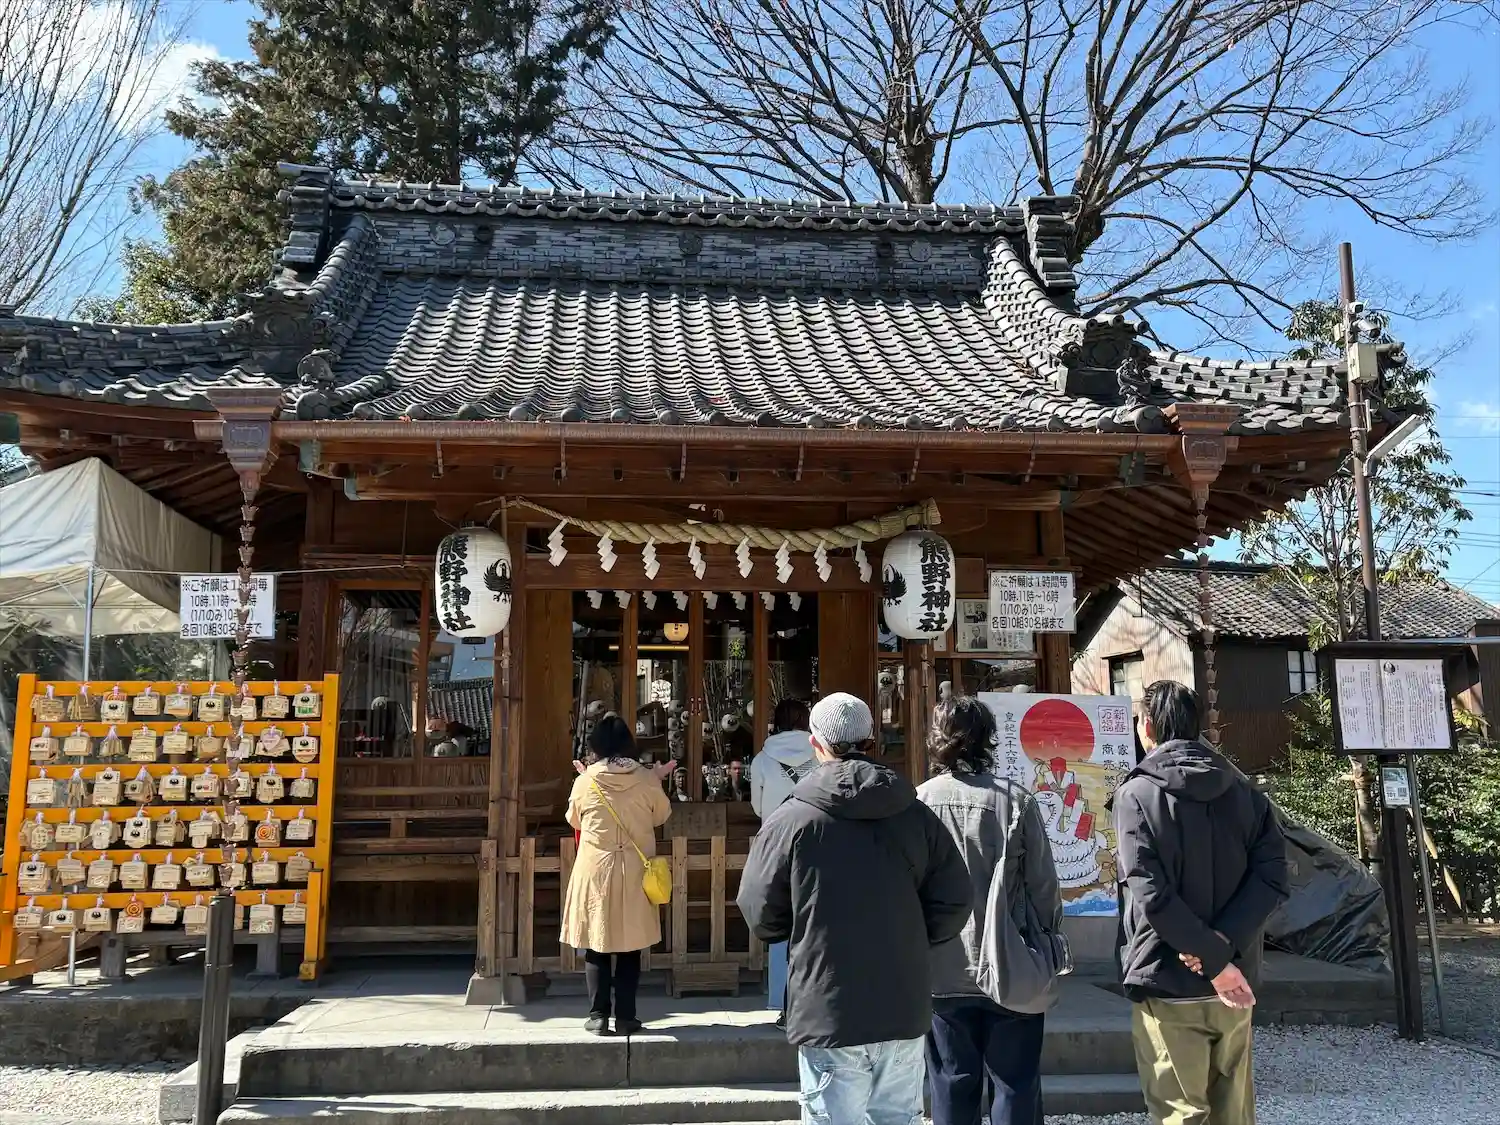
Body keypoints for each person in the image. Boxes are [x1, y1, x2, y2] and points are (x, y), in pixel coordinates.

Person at [738, 692, 973, 1125]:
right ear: (871, 740)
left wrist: (800, 931)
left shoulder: (792, 819)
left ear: (815, 743)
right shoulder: (913, 813)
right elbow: (955, 896)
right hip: (902, 996)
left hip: (828, 1001)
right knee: (898, 1118)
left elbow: (759, 909)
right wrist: (913, 936)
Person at [1112, 681, 1289, 1125]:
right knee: (1234, 1112)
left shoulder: (1137, 795)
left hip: (1168, 974)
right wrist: (1223, 951)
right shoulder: (1245, 793)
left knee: (1180, 1113)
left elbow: (1150, 892)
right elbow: (1272, 878)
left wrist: (1208, 955)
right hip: (1235, 978)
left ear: (1147, 726)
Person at [918, 695, 1062, 1125]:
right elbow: (1043, 886)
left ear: (937, 740)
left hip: (941, 965)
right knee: (1014, 1084)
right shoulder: (1017, 800)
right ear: (987, 739)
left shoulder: (919, 801)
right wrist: (1050, 943)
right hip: (1011, 960)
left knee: (950, 1084)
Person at [560, 714, 674, 1035]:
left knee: (596, 944)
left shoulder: (585, 781)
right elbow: (662, 815)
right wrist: (656, 778)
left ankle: (597, 1016)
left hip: (596, 870)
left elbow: (574, 819)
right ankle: (626, 1017)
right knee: (630, 945)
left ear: (596, 746)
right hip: (635, 870)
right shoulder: (645, 779)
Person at [749, 697, 818, 1022]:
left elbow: (757, 807)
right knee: (814, 923)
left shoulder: (762, 759)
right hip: (816, 845)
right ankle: (809, 999)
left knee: (780, 924)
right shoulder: (821, 755)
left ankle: (781, 1001)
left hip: (776, 848)